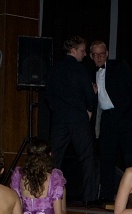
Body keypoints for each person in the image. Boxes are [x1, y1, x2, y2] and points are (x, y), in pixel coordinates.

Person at [45, 35, 97, 204]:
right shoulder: (80, 69)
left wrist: (58, 110)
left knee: (53, 160)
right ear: (73, 50)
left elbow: (48, 95)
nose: (85, 54)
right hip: (78, 119)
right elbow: (89, 96)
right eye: (82, 50)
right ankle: (89, 199)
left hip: (59, 120)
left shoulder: (55, 69)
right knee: (87, 158)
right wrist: (90, 107)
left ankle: (48, 197)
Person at [90, 41, 132, 202]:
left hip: (125, 117)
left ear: (107, 54)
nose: (99, 57)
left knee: (129, 158)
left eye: (102, 54)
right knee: (106, 158)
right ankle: (106, 196)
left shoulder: (119, 66)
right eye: (95, 55)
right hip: (107, 119)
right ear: (91, 56)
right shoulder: (89, 72)